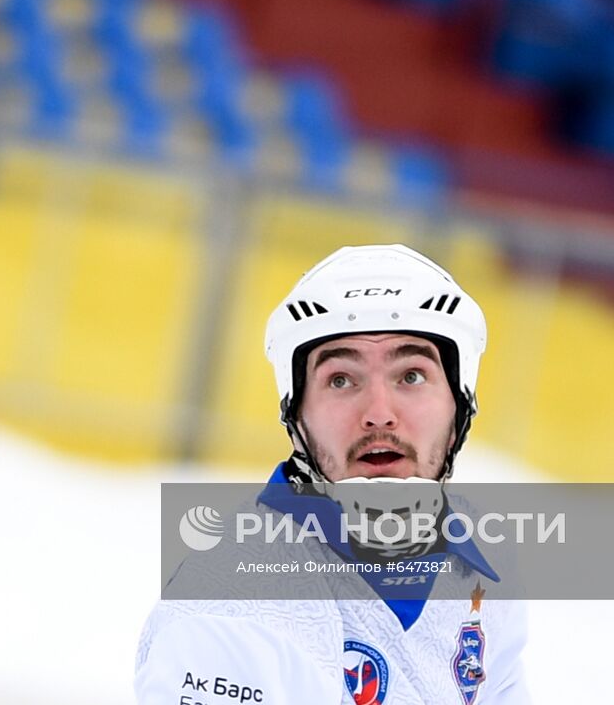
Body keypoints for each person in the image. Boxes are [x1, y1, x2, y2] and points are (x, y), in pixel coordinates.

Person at [135, 244, 530, 704]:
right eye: (342, 379)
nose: (379, 414)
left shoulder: (481, 568)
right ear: (296, 412)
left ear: (459, 404)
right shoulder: (235, 609)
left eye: (412, 376)